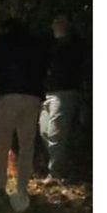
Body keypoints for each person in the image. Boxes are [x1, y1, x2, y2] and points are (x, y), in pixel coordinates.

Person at [0, 18, 47, 212]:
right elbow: (44, 68)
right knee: (26, 145)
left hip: (9, 94)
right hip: (32, 96)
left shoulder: (2, 40)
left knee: (2, 143)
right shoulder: (37, 43)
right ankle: (22, 189)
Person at [39, 14, 84, 182]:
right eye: (55, 23)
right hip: (47, 93)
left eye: (61, 23)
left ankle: (56, 173)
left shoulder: (74, 45)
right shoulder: (50, 45)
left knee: (56, 133)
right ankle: (58, 168)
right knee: (44, 131)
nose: (57, 26)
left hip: (64, 92)